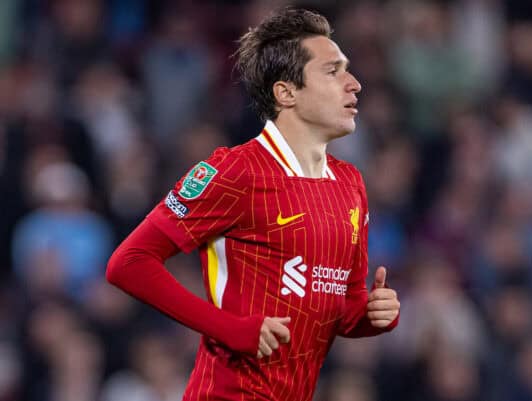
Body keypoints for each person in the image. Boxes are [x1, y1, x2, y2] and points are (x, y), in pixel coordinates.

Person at [106, 8, 400, 401]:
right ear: (286, 92)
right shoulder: (235, 171)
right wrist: (229, 328)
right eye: (333, 71)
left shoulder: (350, 183)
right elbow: (129, 263)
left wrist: (372, 316)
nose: (355, 84)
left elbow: (344, 308)